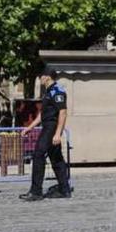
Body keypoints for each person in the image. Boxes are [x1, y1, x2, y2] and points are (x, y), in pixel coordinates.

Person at [19, 69, 71, 201]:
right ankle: (64, 189)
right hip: (47, 126)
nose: (39, 78)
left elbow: (63, 112)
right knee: (56, 158)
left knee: (38, 154)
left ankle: (36, 192)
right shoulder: (48, 91)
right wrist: (29, 128)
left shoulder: (57, 91)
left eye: (41, 76)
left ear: (47, 77)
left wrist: (58, 133)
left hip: (52, 127)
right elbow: (42, 114)